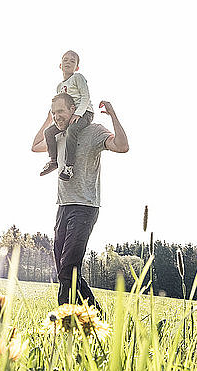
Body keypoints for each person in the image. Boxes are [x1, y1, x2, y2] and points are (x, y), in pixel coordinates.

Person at [31, 93, 129, 310]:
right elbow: (36, 145)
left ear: (74, 109)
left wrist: (113, 114)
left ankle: (63, 321)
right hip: (63, 206)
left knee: (68, 268)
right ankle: (97, 316)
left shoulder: (93, 131)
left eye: (61, 112)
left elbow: (122, 146)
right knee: (66, 271)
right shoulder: (58, 135)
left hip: (85, 207)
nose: (57, 116)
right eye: (54, 112)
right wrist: (48, 120)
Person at [39, 50, 94, 181]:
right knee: (48, 132)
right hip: (68, 115)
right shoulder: (60, 86)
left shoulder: (77, 78)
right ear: (60, 65)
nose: (68, 62)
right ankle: (53, 161)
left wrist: (78, 114)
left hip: (84, 112)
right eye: (65, 60)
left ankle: (69, 166)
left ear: (77, 67)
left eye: (72, 61)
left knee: (72, 130)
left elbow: (85, 96)